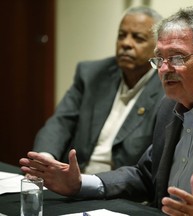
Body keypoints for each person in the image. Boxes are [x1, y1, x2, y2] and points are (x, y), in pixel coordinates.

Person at [20, 6, 193, 216]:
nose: (164, 69)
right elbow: (146, 174)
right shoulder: (169, 104)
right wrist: (80, 184)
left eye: (177, 58)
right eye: (160, 59)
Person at [32, 6, 164, 174]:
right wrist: (45, 158)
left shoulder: (167, 89)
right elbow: (62, 121)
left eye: (138, 38)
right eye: (121, 36)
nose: (126, 43)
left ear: (158, 47)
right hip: (73, 179)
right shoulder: (92, 74)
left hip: (121, 189)